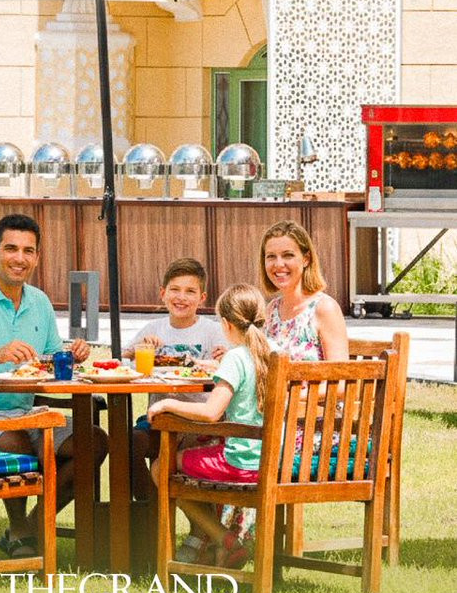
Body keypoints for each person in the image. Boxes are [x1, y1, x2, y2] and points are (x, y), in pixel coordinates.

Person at [0, 212, 106, 558]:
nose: (19, 258)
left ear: (37, 257)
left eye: (28, 251)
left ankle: (30, 525)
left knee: (94, 441)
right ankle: (22, 529)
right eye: (11, 249)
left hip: (26, 413)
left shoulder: (39, 302)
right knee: (18, 443)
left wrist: (72, 355)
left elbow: (48, 361)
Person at [148, 284, 271, 568]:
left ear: (226, 324)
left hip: (240, 463)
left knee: (161, 467)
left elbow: (211, 412)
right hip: (273, 461)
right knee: (193, 453)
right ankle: (223, 543)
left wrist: (168, 404)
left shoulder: (235, 358)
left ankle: (223, 538)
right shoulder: (274, 352)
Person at [123, 258, 226, 499]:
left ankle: (189, 515)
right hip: (159, 420)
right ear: (163, 294)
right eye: (175, 290)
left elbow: (229, 366)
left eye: (190, 291)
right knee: (130, 443)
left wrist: (223, 357)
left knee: (190, 477)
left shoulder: (212, 331)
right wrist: (137, 349)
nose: (181, 297)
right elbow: (120, 358)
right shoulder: (153, 329)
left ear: (202, 298)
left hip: (199, 422)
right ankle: (150, 507)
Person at [259, 219, 349, 361]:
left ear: (306, 259)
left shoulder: (325, 309)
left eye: (288, 255)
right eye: (271, 256)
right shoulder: (271, 310)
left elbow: (340, 372)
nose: (279, 264)